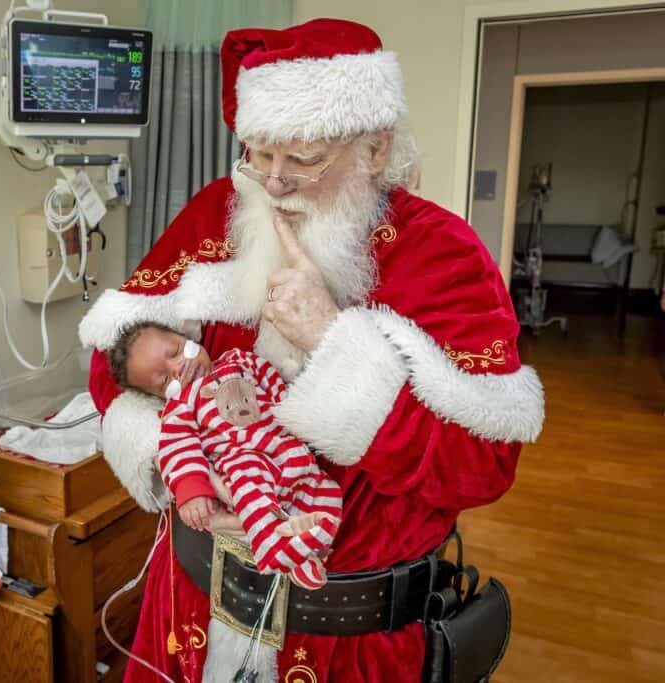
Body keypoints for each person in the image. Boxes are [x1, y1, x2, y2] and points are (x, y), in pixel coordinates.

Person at [79, 17, 545, 683]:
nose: (273, 183)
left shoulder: (445, 257)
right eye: (259, 155)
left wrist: (334, 342)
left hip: (348, 643)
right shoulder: (216, 214)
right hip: (187, 607)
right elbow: (113, 353)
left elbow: (485, 463)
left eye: (302, 159)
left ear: (376, 149)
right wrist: (186, 446)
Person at [108, 322, 343, 590]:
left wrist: (295, 412)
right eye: (164, 380)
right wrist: (192, 491)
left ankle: (309, 548)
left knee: (324, 491)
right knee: (253, 496)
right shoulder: (181, 406)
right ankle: (283, 554)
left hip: (286, 449)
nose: (178, 369)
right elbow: (178, 449)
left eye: (174, 352)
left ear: (186, 337)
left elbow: (274, 385)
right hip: (242, 463)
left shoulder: (240, 360)